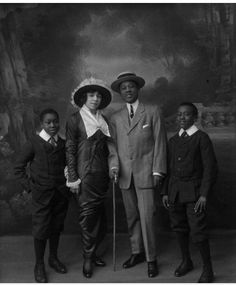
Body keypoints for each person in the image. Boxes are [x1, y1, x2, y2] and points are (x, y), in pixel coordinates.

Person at [109, 71, 167, 278]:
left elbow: (160, 142)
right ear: (120, 92)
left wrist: (158, 169)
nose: (128, 90)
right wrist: (114, 166)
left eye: (131, 86)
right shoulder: (115, 118)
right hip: (124, 176)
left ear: (138, 88)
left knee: (147, 217)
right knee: (132, 216)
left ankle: (152, 259)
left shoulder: (151, 111)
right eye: (123, 88)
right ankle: (137, 252)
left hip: (146, 173)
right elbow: (112, 148)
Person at [65, 77, 118, 278]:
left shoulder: (104, 120)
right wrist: (73, 177)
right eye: (91, 95)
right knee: (88, 218)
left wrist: (112, 168)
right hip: (83, 174)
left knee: (100, 217)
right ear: (84, 97)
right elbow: (70, 150)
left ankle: (94, 253)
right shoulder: (75, 119)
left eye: (98, 95)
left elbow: (110, 149)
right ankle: (87, 258)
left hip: (101, 175)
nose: (95, 98)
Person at [162, 102, 218, 283]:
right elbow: (169, 169)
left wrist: (204, 194)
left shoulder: (202, 138)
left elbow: (210, 169)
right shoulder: (173, 141)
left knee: (198, 230)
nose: (181, 118)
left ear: (194, 118)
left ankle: (208, 269)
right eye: (179, 115)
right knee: (179, 227)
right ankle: (186, 261)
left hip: (195, 193)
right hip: (175, 192)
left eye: (186, 115)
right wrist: (165, 192)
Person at [14, 108, 70, 283]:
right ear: (42, 124)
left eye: (55, 121)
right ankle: (39, 264)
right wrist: (31, 187)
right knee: (41, 229)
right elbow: (18, 168)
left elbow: (68, 165)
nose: (52, 125)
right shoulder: (33, 143)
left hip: (60, 194)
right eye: (48, 122)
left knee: (56, 226)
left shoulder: (62, 143)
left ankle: (53, 258)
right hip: (41, 196)